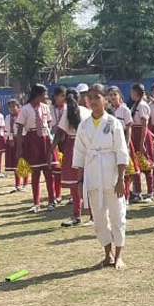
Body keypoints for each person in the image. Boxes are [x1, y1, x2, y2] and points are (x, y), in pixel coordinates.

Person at [73, 87, 130, 268]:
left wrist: (121, 179)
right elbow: (80, 154)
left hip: (111, 173)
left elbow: (121, 151)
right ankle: (108, 254)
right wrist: (80, 180)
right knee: (98, 219)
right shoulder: (84, 125)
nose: (94, 101)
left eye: (97, 97)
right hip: (93, 175)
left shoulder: (113, 123)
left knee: (117, 215)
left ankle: (119, 254)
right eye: (90, 98)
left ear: (105, 100)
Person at [17, 84, 57, 212]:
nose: (46, 97)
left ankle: (52, 201)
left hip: (45, 139)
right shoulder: (25, 109)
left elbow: (50, 126)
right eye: (44, 94)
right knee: (35, 173)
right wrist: (19, 147)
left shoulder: (46, 107)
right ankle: (36, 203)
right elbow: (19, 129)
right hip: (32, 140)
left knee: (48, 172)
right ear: (38, 94)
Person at [57, 92, 92, 227]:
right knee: (86, 182)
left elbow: (60, 132)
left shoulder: (67, 112)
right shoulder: (86, 111)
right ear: (80, 98)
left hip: (73, 145)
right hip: (86, 145)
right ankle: (91, 215)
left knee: (75, 183)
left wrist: (52, 149)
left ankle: (77, 215)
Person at [128, 83, 154, 203]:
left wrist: (142, 142)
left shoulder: (142, 105)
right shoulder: (135, 105)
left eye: (132, 92)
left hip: (141, 134)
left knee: (146, 164)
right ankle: (137, 192)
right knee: (136, 164)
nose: (131, 94)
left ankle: (150, 192)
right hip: (135, 133)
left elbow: (144, 125)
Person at [4, 99, 28, 192]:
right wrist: (10, 140)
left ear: (19, 107)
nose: (12, 108)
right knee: (15, 164)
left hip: (22, 140)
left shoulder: (22, 116)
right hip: (12, 140)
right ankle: (17, 184)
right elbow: (7, 130)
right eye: (10, 107)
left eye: (14, 106)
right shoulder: (7, 117)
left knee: (23, 162)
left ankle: (25, 184)